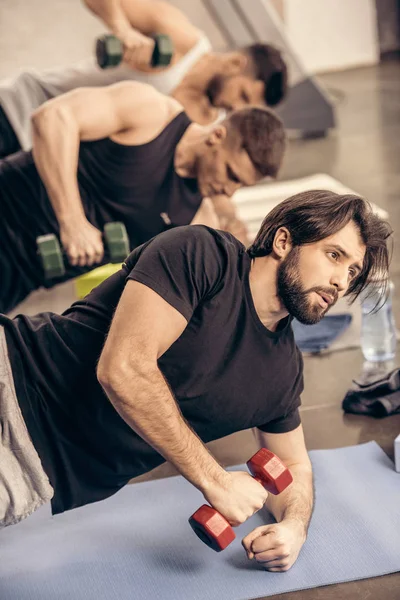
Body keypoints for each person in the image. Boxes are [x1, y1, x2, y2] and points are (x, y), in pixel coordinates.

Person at [0, 190, 391, 571]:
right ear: (284, 241)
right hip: (11, 373)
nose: (341, 281)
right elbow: (122, 369)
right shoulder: (202, 254)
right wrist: (216, 480)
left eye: (352, 271)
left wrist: (293, 527)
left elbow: (292, 464)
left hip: (32, 474)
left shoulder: (282, 373)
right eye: (334, 255)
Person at [0, 81, 285, 314]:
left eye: (241, 185)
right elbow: (51, 118)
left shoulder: (197, 219)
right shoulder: (152, 113)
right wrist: (72, 220)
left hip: (19, 279)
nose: (230, 190)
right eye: (231, 174)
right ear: (216, 136)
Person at [0, 0, 287, 159]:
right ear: (236, 63)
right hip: (18, 111)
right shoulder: (183, 41)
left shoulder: (204, 125)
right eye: (244, 96)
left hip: (41, 158)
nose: (235, 107)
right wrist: (122, 29)